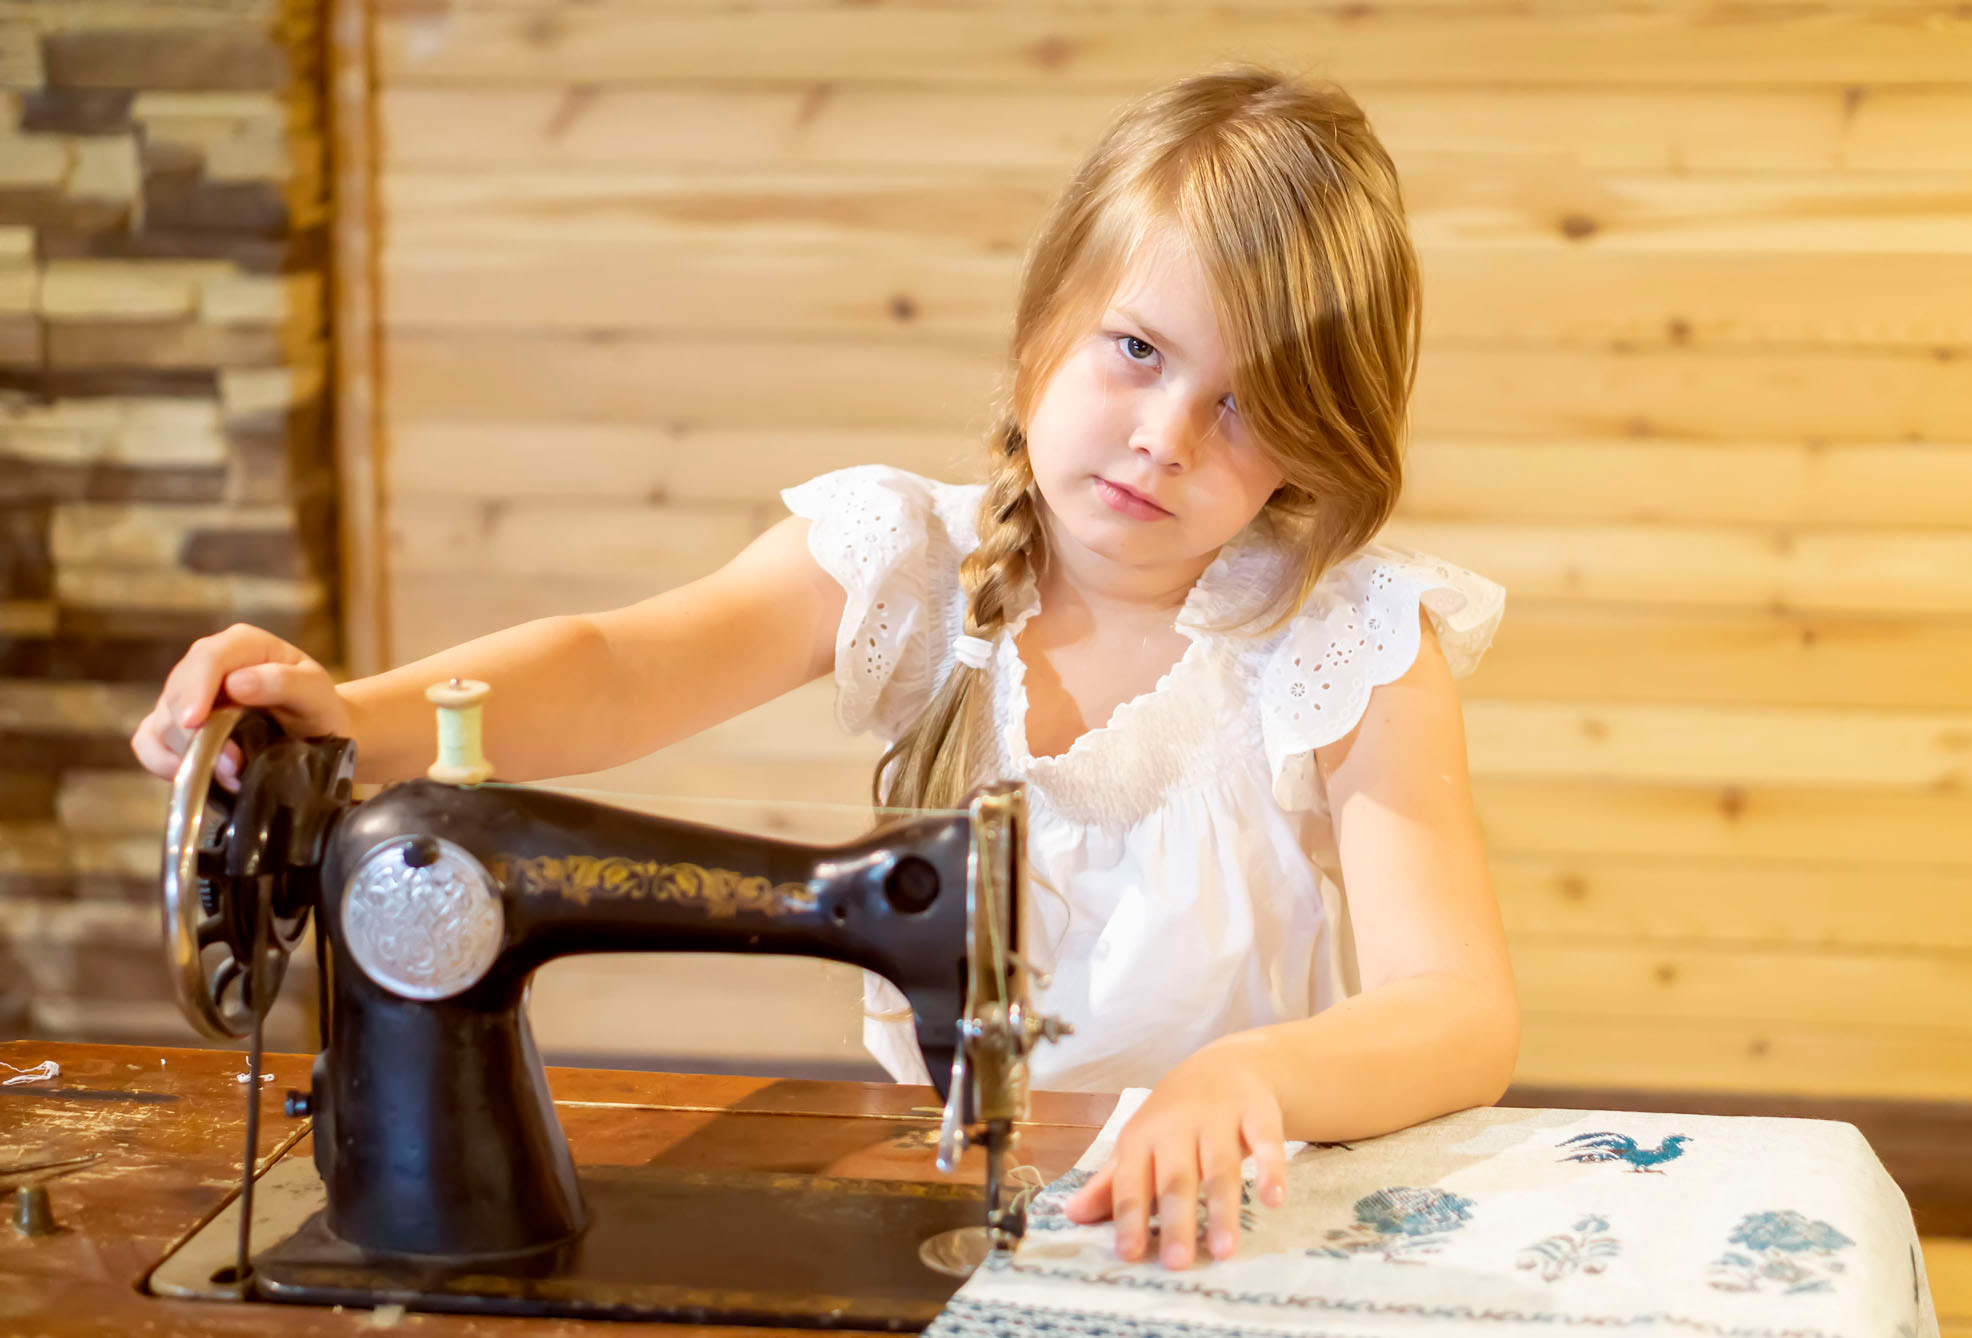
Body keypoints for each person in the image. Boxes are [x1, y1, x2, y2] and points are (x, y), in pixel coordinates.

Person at [131, 66, 1517, 1272]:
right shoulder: (911, 559)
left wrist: (1248, 1074)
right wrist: (356, 720)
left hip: (1227, 1215)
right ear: (1043, 327)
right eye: (1137, 350)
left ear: (1309, 448)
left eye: (1245, 406)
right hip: (946, 1183)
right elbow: (620, 665)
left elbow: (1456, 1008)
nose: (1163, 434)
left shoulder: (1345, 642)